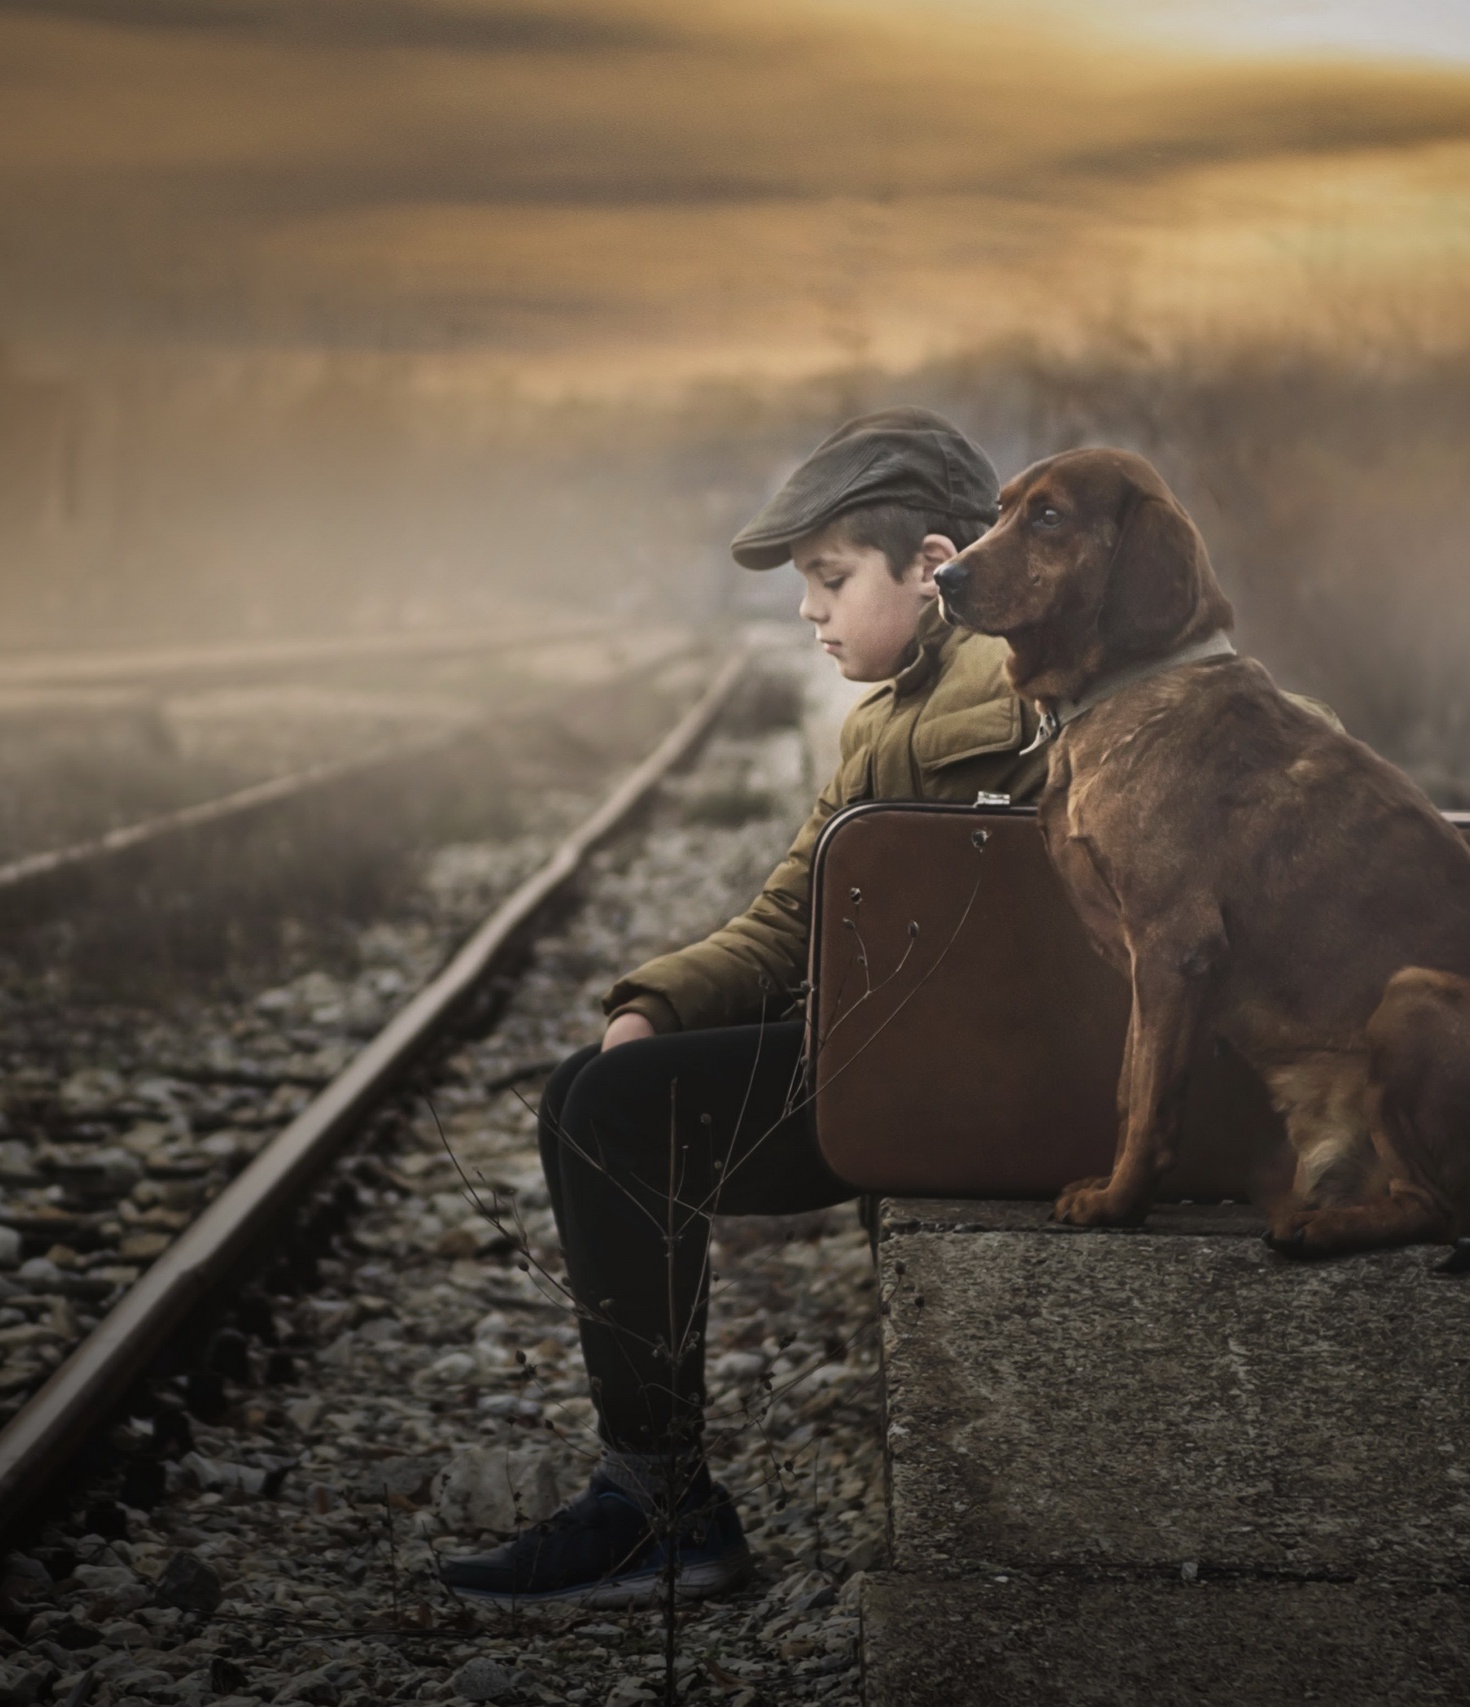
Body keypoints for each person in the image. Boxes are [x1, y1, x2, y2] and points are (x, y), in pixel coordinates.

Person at [437, 407, 1050, 1606]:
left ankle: (660, 1507)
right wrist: (657, 1005)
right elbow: (790, 914)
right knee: (594, 1095)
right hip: (925, 1063)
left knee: (603, 1120)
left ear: (933, 570)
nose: (810, 612)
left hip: (962, 1086)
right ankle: (653, 1496)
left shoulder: (992, 688)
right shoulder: (897, 710)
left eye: (829, 578)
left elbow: (979, 927)